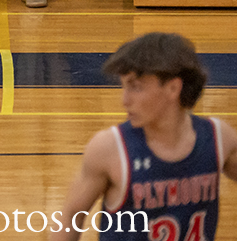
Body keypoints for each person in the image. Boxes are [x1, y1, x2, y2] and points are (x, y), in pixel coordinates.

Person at [49, 32, 237, 241]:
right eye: (124, 87)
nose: (124, 100)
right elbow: (70, 216)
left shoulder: (219, 138)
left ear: (173, 88)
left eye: (135, 87)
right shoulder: (109, 148)